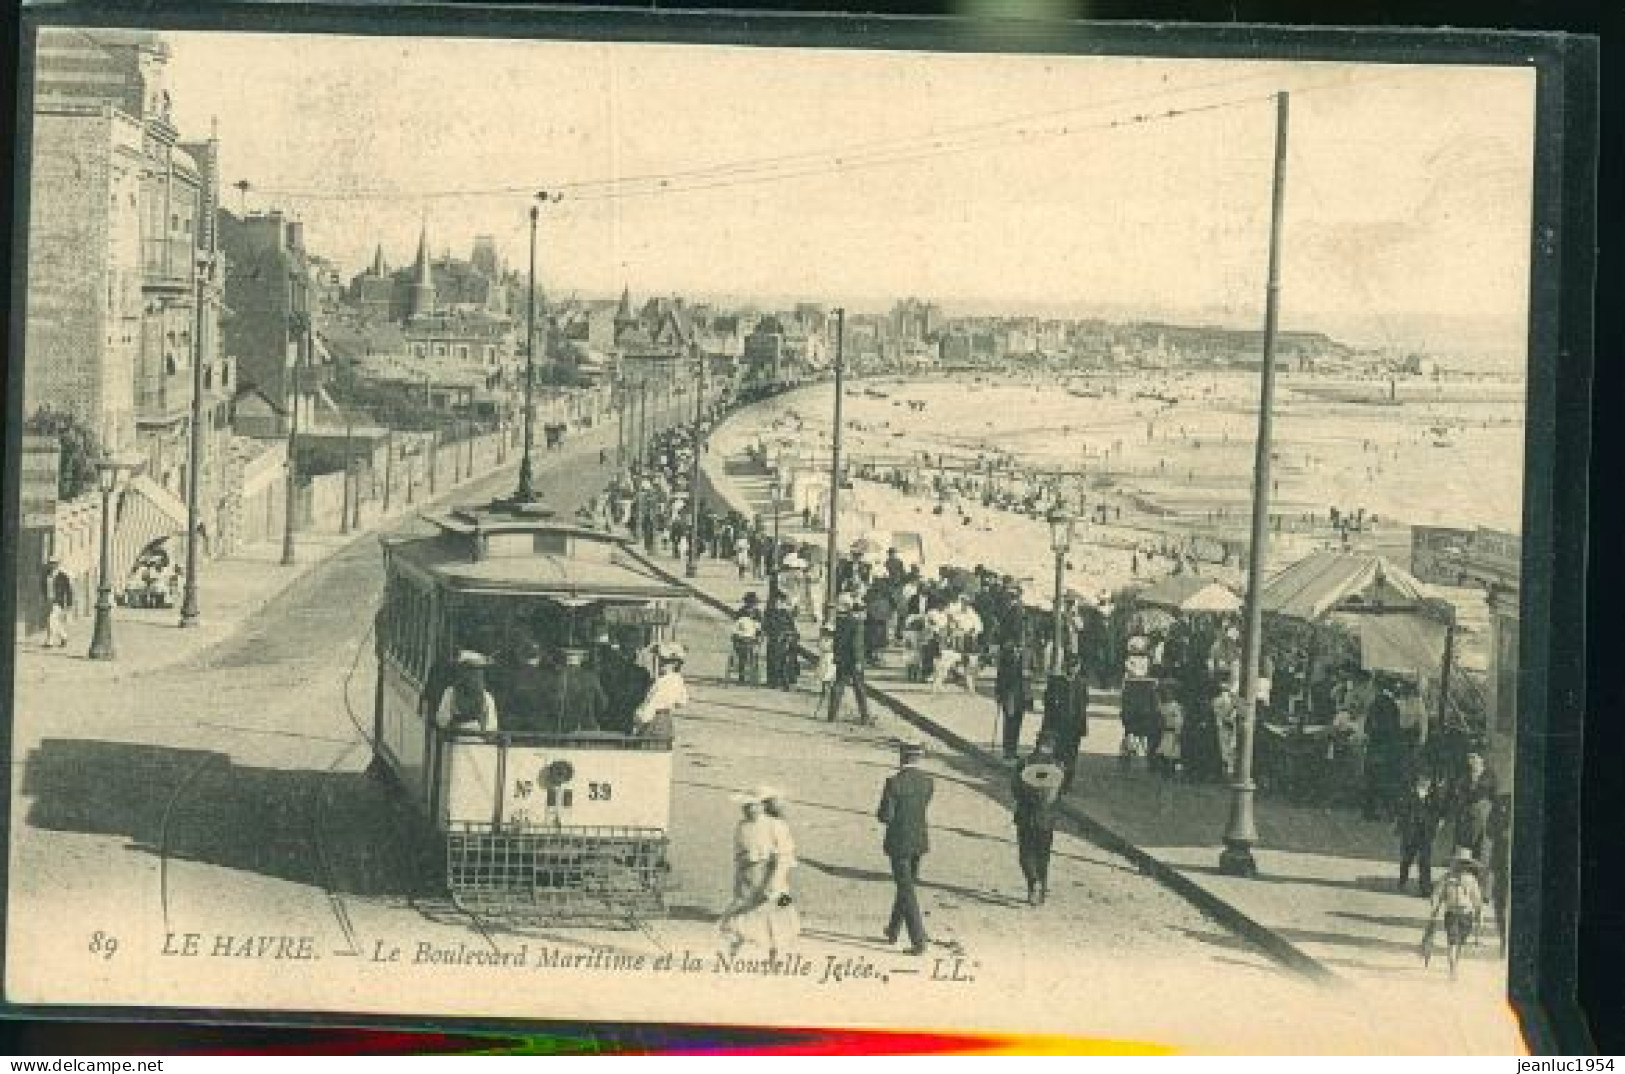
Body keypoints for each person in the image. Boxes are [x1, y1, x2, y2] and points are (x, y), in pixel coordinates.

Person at [718, 788, 798, 958]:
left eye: (752, 805)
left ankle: (775, 955)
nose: (748, 809)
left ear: (762, 806)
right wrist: (739, 881)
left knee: (781, 913)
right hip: (749, 879)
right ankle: (731, 954)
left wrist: (774, 883)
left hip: (773, 879)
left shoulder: (776, 825)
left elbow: (784, 858)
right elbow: (739, 856)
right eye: (745, 806)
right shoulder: (741, 826)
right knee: (740, 915)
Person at [878, 740, 934, 955]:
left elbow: (886, 816)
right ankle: (893, 930)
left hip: (899, 841)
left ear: (902, 757)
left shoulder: (893, 783)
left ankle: (918, 940)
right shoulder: (928, 782)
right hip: (919, 841)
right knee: (906, 885)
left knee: (906, 889)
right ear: (919, 758)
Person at [1012, 737, 1064, 906]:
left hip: (1026, 816)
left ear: (1037, 744)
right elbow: (1061, 792)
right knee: (1043, 855)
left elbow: (1015, 789)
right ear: (1052, 747)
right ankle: (1041, 892)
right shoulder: (1058, 766)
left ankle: (1033, 882)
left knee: (1026, 853)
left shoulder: (1024, 763)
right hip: (1046, 819)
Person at [1421, 848, 1485, 980]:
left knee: (1460, 942)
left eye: (1464, 864)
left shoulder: (1471, 880)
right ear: (1453, 864)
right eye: (1458, 863)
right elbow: (1437, 893)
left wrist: (1479, 914)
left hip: (1467, 915)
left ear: (1468, 866)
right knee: (1452, 942)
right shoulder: (1446, 879)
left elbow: (1477, 899)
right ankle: (1452, 970)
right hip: (1451, 914)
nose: (1460, 867)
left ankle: (1455, 963)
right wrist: (1435, 905)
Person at [828, 594, 872, 725]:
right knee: (859, 688)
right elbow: (856, 644)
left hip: (842, 658)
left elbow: (836, 641)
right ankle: (864, 716)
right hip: (853, 660)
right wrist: (858, 660)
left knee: (838, 685)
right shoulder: (856, 623)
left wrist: (836, 656)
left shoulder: (839, 621)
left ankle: (832, 714)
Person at [1395, 771, 1442, 896]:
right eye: (1423, 780)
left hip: (1425, 832)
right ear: (1418, 780)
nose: (1426, 783)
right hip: (1411, 832)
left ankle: (1425, 888)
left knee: (1425, 861)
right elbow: (1402, 811)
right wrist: (1402, 826)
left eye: (1428, 780)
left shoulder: (1433, 795)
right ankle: (1402, 880)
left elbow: (1437, 811)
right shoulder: (1409, 794)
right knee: (1407, 858)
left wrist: (1436, 823)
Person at [435, 651, 499, 733]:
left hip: (479, 742)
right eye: (471, 671)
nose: (475, 677)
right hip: (456, 740)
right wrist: (456, 721)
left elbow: (492, 727)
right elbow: (441, 720)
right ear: (463, 673)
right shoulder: (451, 693)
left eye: (478, 673)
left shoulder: (486, 697)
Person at [633, 644, 689, 739]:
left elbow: (649, 708)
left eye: (666, 661)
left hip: (654, 723)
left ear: (675, 663)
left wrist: (637, 720)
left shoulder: (663, 682)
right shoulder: (678, 679)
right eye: (661, 659)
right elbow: (682, 701)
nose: (661, 663)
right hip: (666, 722)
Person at [994, 640, 1028, 761]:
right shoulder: (1006, 661)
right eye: (1015, 649)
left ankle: (1013, 749)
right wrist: (998, 694)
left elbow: (1026, 680)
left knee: (1017, 723)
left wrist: (1029, 697)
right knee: (1010, 723)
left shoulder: (1024, 660)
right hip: (1010, 696)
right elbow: (1000, 678)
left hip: (1020, 696)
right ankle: (1008, 751)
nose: (1018, 650)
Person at [42, 558, 73, 648]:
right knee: (53, 621)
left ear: (58, 564)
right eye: (51, 563)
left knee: (51, 619)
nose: (52, 565)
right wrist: (45, 597)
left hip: (58, 601)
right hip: (48, 600)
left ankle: (49, 641)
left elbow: (68, 591)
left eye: (54, 563)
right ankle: (64, 637)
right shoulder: (47, 575)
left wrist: (69, 603)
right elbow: (43, 587)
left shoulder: (63, 577)